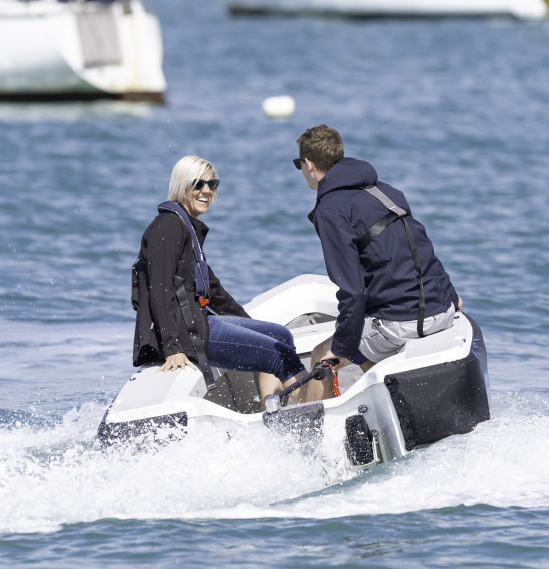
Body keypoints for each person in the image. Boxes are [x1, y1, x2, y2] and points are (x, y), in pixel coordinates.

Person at [294, 125, 461, 401]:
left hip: (404, 322)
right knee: (346, 330)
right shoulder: (387, 192)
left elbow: (352, 290)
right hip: (442, 307)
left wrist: (341, 347)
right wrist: (451, 295)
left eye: (298, 163)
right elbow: (418, 246)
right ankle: (389, 397)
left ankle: (307, 441)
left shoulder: (331, 210)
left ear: (308, 164)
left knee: (321, 355)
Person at [132, 155, 306, 400]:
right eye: (198, 184)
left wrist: (248, 325)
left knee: (280, 336)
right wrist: (172, 347)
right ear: (182, 186)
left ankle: (273, 413)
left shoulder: (187, 227)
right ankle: (306, 423)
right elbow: (160, 289)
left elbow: (213, 291)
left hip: (198, 321)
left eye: (212, 185)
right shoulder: (168, 226)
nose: (207, 191)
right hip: (186, 334)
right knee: (281, 355)